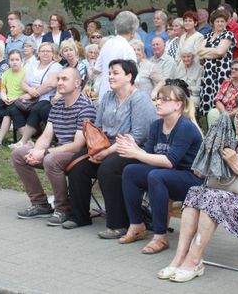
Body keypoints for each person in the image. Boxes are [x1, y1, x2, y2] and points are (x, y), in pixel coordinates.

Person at [158, 98, 238, 283]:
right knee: (195, 192)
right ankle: (179, 258)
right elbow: (206, 175)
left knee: (213, 198)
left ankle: (193, 261)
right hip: (226, 195)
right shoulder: (233, 143)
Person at [64, 60, 157, 234]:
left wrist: (107, 152)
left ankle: (118, 224)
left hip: (133, 150)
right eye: (109, 73)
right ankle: (79, 216)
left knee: (107, 169)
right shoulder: (107, 97)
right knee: (77, 165)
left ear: (129, 76)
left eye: (115, 73)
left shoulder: (140, 99)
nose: (110, 76)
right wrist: (96, 149)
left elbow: (138, 135)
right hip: (106, 146)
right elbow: (98, 127)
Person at [119, 80, 203, 254]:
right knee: (131, 171)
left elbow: (170, 161)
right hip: (167, 175)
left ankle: (160, 236)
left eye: (164, 100)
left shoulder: (185, 127)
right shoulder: (157, 125)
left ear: (178, 105)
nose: (158, 103)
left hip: (190, 179)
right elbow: (148, 156)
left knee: (156, 176)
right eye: (157, 99)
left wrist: (135, 153)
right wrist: (134, 147)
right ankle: (137, 225)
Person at [12, 67, 97, 225]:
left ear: (78, 83)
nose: (59, 82)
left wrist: (44, 153)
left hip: (78, 154)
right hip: (58, 149)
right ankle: (40, 203)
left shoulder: (86, 107)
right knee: (19, 153)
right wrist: (36, 151)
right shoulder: (57, 105)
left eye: (65, 79)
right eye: (58, 79)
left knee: (50, 159)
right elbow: (46, 136)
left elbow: (78, 145)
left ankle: (63, 208)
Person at [8, 42, 62, 148]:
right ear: (39, 53)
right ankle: (31, 138)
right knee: (13, 108)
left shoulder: (56, 66)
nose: (45, 53)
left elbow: (50, 84)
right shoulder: (32, 64)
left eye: (48, 51)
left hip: (46, 97)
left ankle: (23, 141)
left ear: (53, 53)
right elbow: (23, 83)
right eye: (43, 51)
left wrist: (31, 95)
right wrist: (29, 90)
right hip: (30, 96)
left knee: (37, 108)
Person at [197, 9, 236, 116]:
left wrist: (210, 52)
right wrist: (215, 52)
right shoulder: (207, 36)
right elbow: (199, 52)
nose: (220, 23)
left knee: (221, 98)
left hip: (222, 72)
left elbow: (221, 51)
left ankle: (222, 122)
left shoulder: (228, 34)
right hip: (208, 73)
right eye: (217, 21)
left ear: (226, 22)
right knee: (208, 96)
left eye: (222, 21)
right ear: (213, 22)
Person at [0, 50, 25, 149]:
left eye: (17, 59)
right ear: (8, 61)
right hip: (6, 99)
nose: (14, 62)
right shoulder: (6, 73)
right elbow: (2, 90)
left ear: (21, 61)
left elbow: (25, 92)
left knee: (8, 113)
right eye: (12, 60)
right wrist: (4, 98)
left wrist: (14, 99)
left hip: (19, 100)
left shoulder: (25, 73)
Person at [93, 11, 138, 100]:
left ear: (116, 29)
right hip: (120, 97)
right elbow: (134, 78)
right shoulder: (128, 49)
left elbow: (97, 69)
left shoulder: (107, 44)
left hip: (104, 94)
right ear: (132, 32)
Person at [207, 59, 238, 126]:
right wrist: (224, 113)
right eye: (232, 68)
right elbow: (217, 100)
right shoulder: (227, 82)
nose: (233, 71)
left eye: (236, 69)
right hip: (225, 111)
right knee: (212, 113)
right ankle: (215, 135)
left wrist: (231, 114)